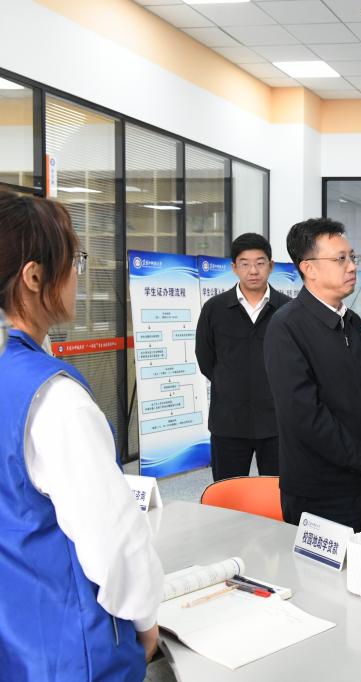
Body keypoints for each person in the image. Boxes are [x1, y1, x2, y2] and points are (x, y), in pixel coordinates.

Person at [0, 191, 163, 680]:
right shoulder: (54, 398)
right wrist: (146, 620)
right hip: (70, 648)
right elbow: (113, 541)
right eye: (74, 260)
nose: (77, 275)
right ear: (34, 276)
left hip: (16, 632)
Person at [264, 217, 361, 530]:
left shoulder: (352, 321)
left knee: (360, 558)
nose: (352, 266)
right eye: (340, 259)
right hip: (318, 488)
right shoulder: (286, 327)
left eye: (352, 257)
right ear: (308, 268)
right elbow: (305, 414)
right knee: (324, 565)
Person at [196, 233, 290, 481]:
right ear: (234, 268)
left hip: (277, 422)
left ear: (271, 266)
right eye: (245, 263)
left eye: (260, 263)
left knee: (279, 493)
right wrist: (229, 382)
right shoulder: (214, 308)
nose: (253, 271)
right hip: (229, 422)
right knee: (226, 493)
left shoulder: (289, 309)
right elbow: (205, 357)